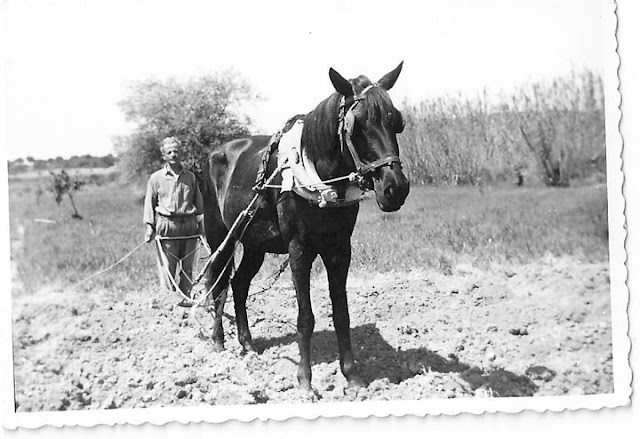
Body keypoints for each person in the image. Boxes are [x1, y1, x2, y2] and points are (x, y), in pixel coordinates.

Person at [143, 136, 205, 307]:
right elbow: (150, 202)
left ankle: (186, 300)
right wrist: (149, 227)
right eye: (169, 152)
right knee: (168, 268)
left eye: (176, 151)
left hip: (189, 227)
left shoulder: (190, 177)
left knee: (188, 268)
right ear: (164, 156)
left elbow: (198, 204)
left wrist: (202, 227)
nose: (173, 154)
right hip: (167, 227)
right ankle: (170, 304)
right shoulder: (156, 178)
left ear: (181, 153)